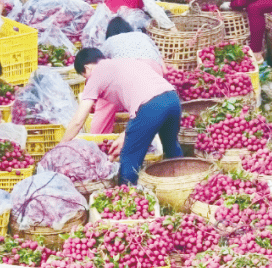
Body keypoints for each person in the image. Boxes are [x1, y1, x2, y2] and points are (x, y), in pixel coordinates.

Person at [61, 48, 183, 185]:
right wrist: (126, 135)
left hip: (150, 106)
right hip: (172, 99)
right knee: (171, 147)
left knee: (129, 158)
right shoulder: (124, 62)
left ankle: (127, 197)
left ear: (87, 68)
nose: (87, 80)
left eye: (85, 76)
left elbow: (78, 121)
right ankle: (181, 186)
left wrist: (61, 146)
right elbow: (142, 97)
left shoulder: (96, 75)